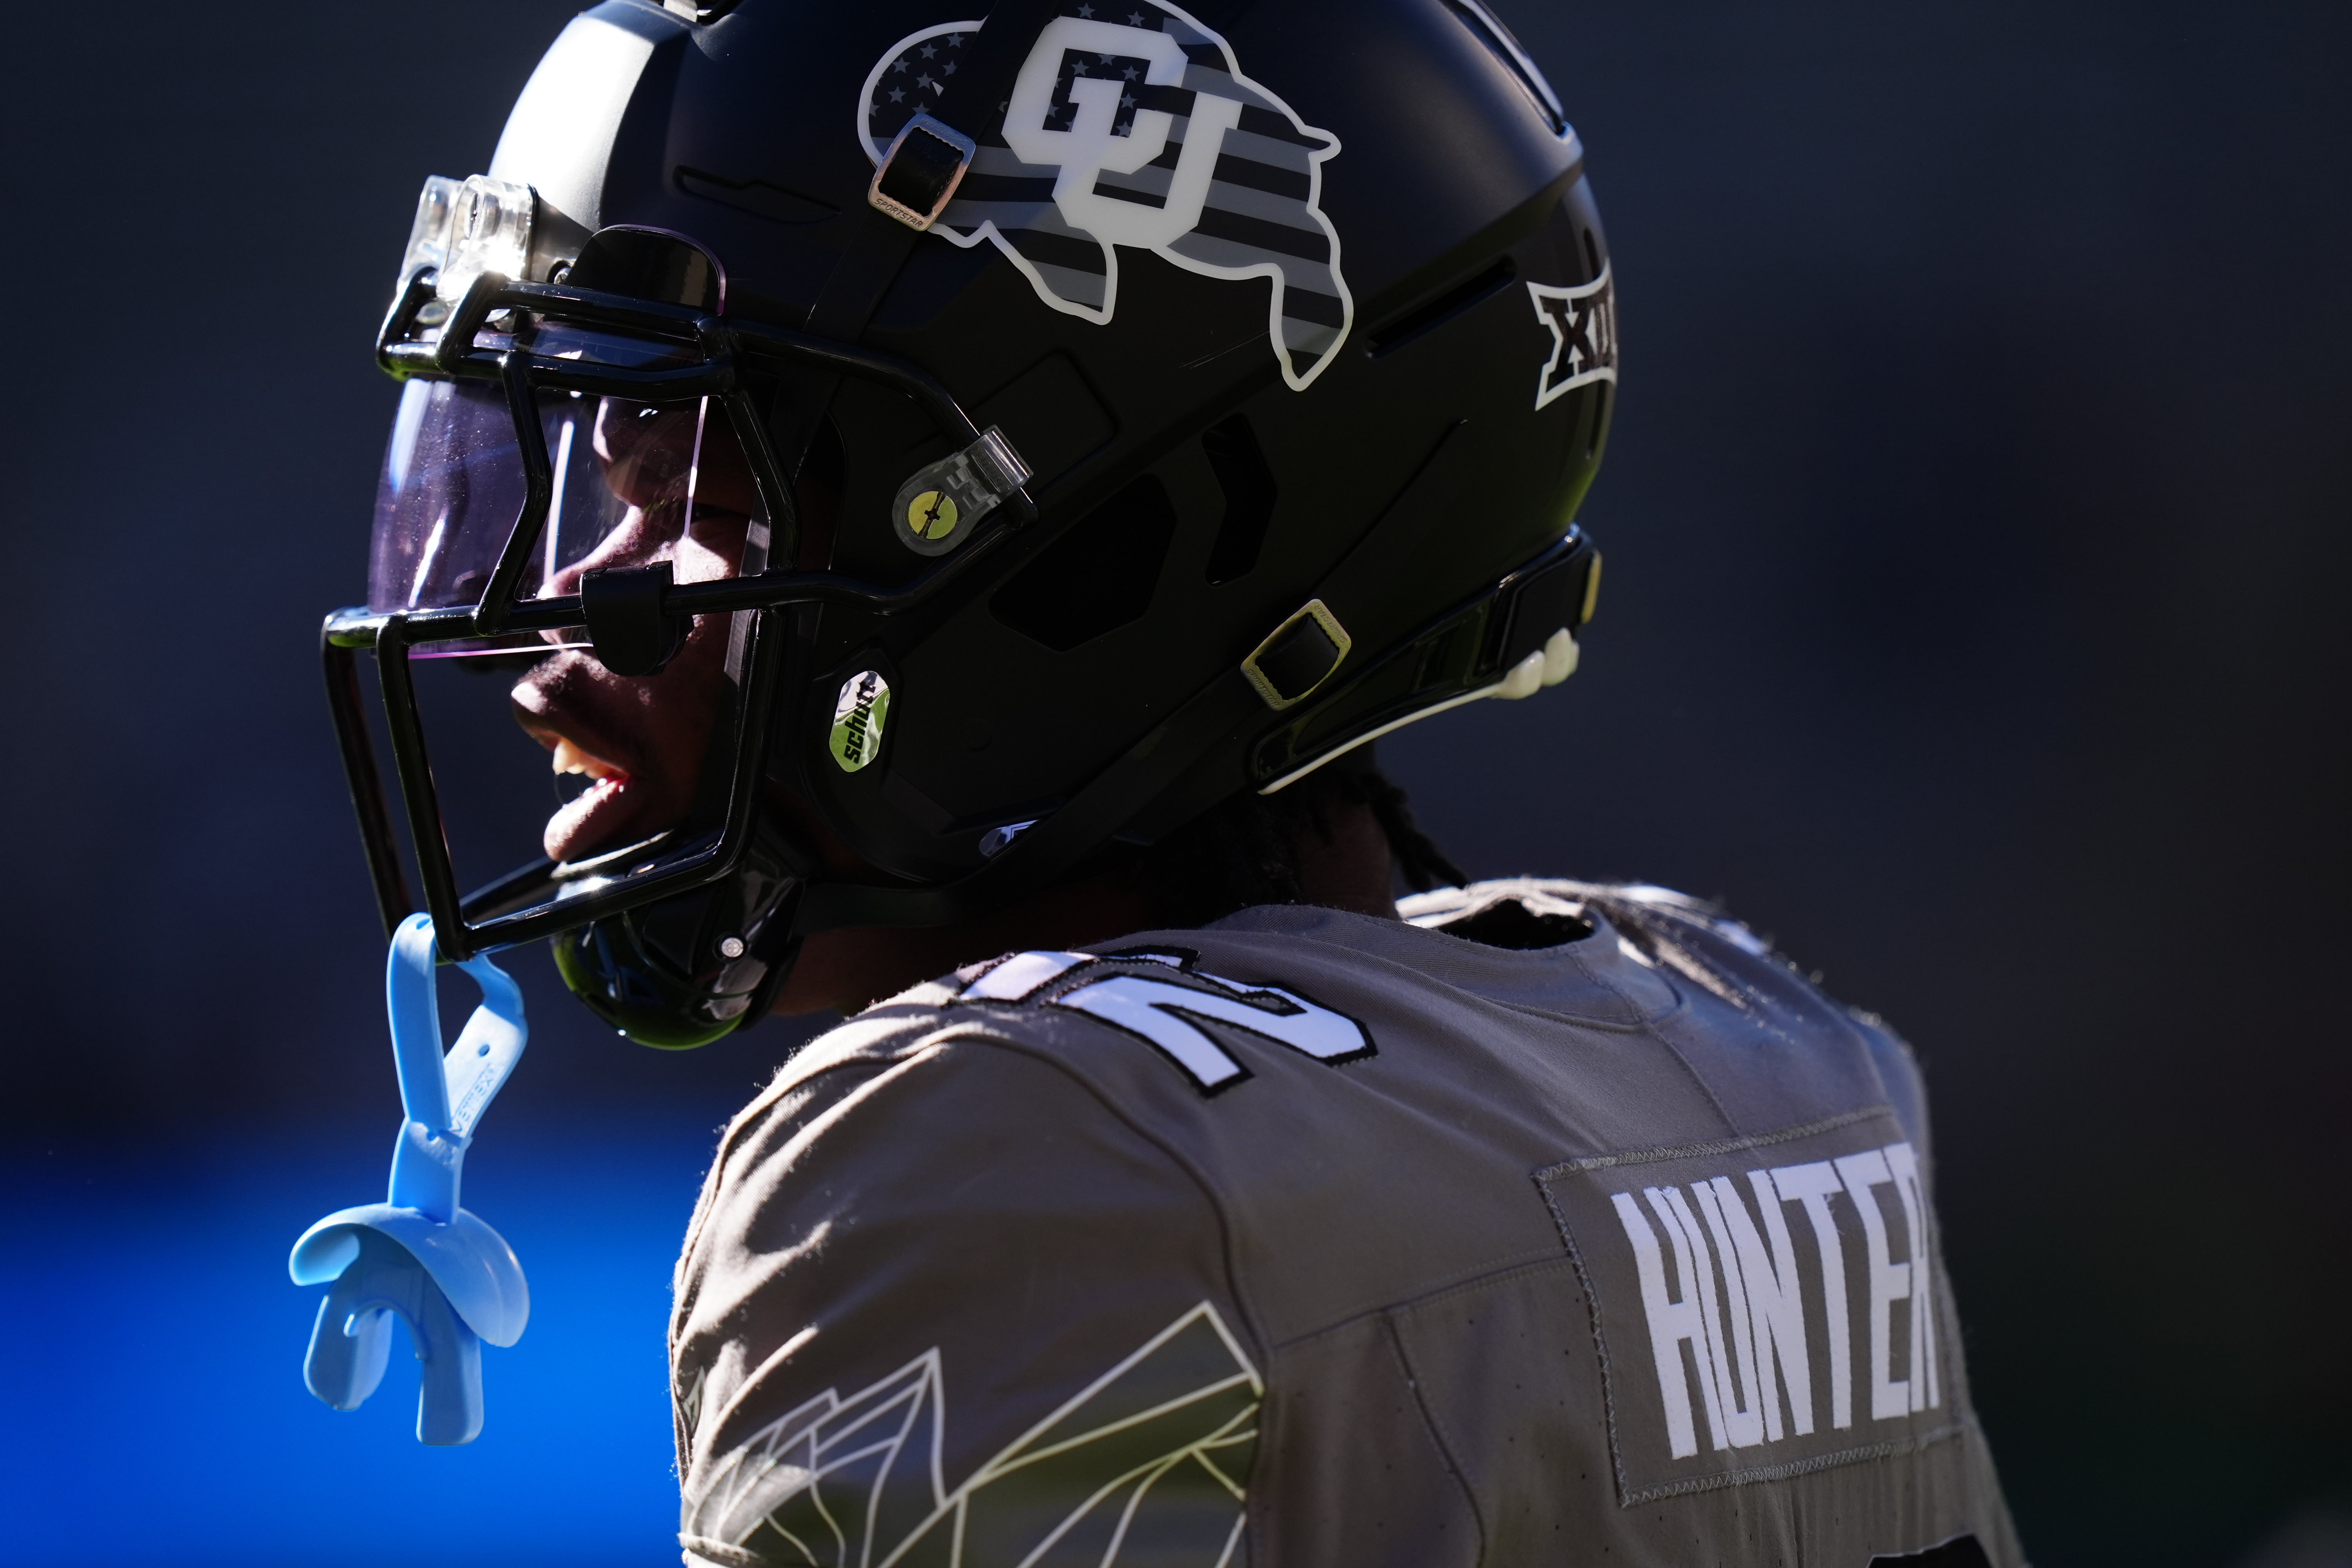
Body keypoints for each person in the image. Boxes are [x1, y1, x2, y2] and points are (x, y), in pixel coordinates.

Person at [320, 0, 2022, 1561]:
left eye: (700, 503)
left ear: (1104, 545)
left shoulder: (1002, 1160)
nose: (556, 633)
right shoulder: (1753, 1043)